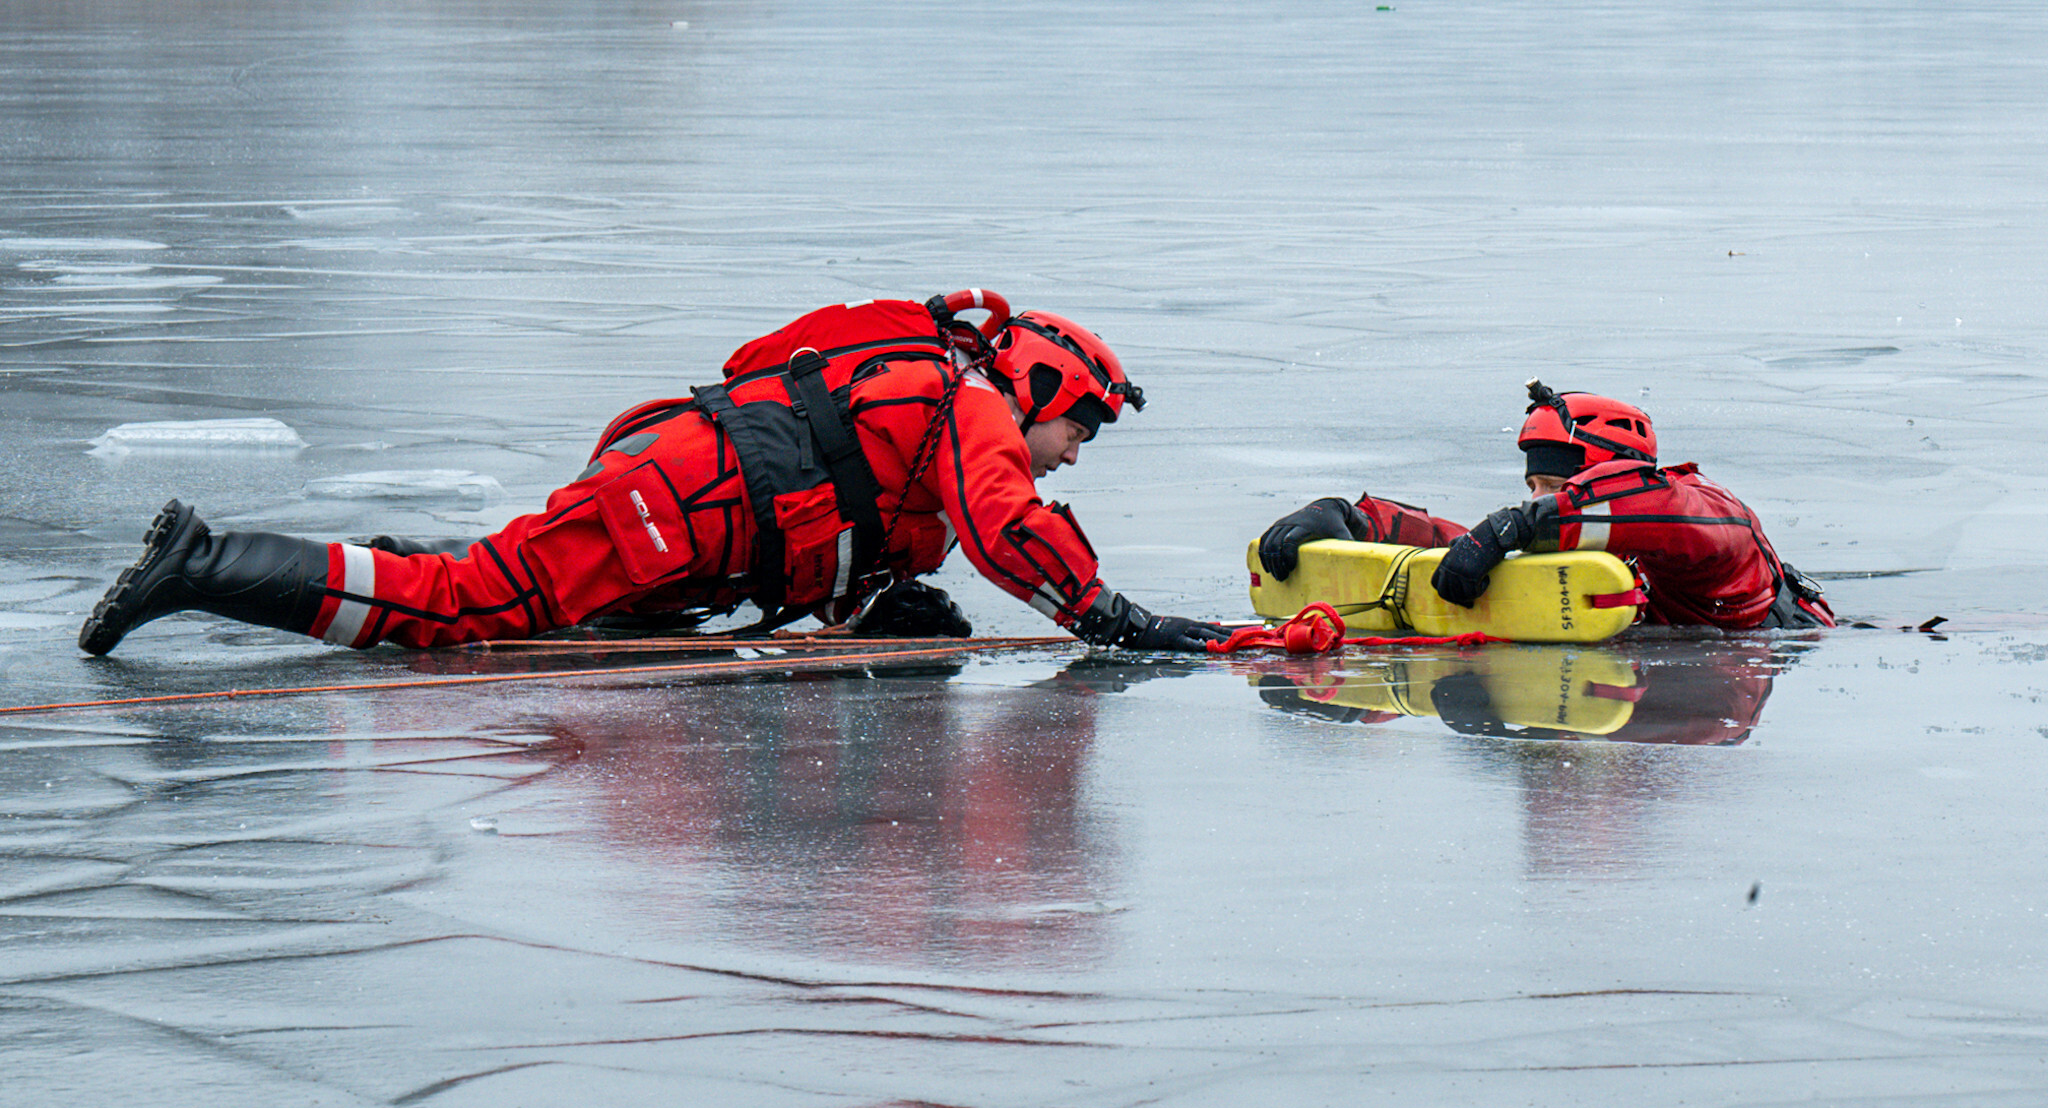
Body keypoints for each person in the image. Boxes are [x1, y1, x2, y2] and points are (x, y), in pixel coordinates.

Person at [80, 291, 1233, 655]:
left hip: (684, 505)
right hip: (676, 507)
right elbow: (1004, 527)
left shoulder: (934, 399)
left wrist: (885, 607)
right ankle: (203, 561)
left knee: (492, 591)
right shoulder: (972, 405)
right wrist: (1112, 617)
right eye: (1078, 424)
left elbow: (872, 521)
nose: (1075, 450)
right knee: (466, 604)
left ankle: (236, 563)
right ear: (1036, 382)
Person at [1256, 380, 1834, 630]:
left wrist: (1522, 523)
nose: (1535, 501)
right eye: (1531, 487)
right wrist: (1360, 519)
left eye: (1551, 488)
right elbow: (1460, 544)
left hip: (1775, 648)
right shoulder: (1555, 529)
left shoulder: (1709, 515)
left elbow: (1652, 507)